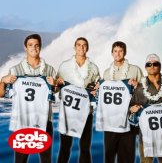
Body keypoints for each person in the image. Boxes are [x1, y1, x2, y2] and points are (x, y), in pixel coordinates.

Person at [0, 34, 56, 163]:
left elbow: (55, 90)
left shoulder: (50, 70)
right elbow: (1, 94)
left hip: (44, 120)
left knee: (46, 160)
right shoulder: (15, 70)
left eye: (36, 45)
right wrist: (3, 81)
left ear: (40, 47)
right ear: (25, 47)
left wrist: (55, 84)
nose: (33, 48)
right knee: (20, 160)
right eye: (30, 45)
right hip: (23, 121)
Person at [56, 37, 100, 163]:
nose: (81, 47)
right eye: (79, 45)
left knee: (85, 148)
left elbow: (97, 88)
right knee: (65, 147)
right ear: (74, 47)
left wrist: (97, 88)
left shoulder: (94, 68)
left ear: (88, 48)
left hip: (86, 112)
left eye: (84, 45)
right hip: (67, 111)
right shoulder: (64, 66)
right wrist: (57, 83)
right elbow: (56, 88)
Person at [102, 41, 143, 163]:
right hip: (111, 119)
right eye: (115, 51)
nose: (118, 54)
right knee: (109, 153)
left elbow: (145, 92)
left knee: (127, 154)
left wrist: (137, 85)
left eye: (120, 51)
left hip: (129, 117)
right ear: (112, 53)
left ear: (124, 52)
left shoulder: (135, 70)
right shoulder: (106, 73)